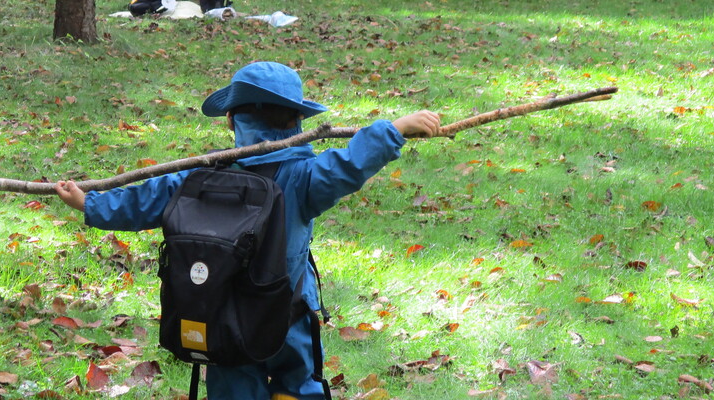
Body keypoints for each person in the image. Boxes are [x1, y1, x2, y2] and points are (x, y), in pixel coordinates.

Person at [55, 61, 443, 400]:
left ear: (231, 120)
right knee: (297, 381)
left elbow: (149, 199)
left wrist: (89, 203)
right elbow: (349, 164)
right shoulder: (305, 177)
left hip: (223, 313)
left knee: (235, 384)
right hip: (289, 310)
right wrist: (395, 129)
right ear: (298, 122)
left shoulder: (203, 178)